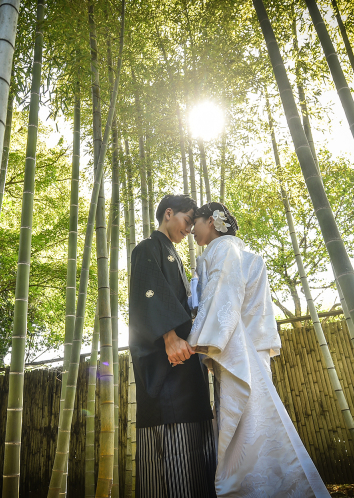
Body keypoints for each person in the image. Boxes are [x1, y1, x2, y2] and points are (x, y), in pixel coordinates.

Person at [188, 202, 330, 498]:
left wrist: (198, 338)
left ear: (211, 221)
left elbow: (223, 292)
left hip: (237, 348)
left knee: (243, 423)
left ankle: (255, 489)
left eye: (195, 223)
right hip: (251, 345)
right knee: (256, 421)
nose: (191, 230)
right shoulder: (246, 253)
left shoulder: (223, 248)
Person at [128, 194, 217, 498]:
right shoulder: (147, 248)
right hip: (166, 359)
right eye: (187, 221)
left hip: (185, 359)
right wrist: (168, 336)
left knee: (196, 433)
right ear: (169, 213)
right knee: (170, 435)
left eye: (192, 224)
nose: (189, 230)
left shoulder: (174, 255)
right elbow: (148, 293)